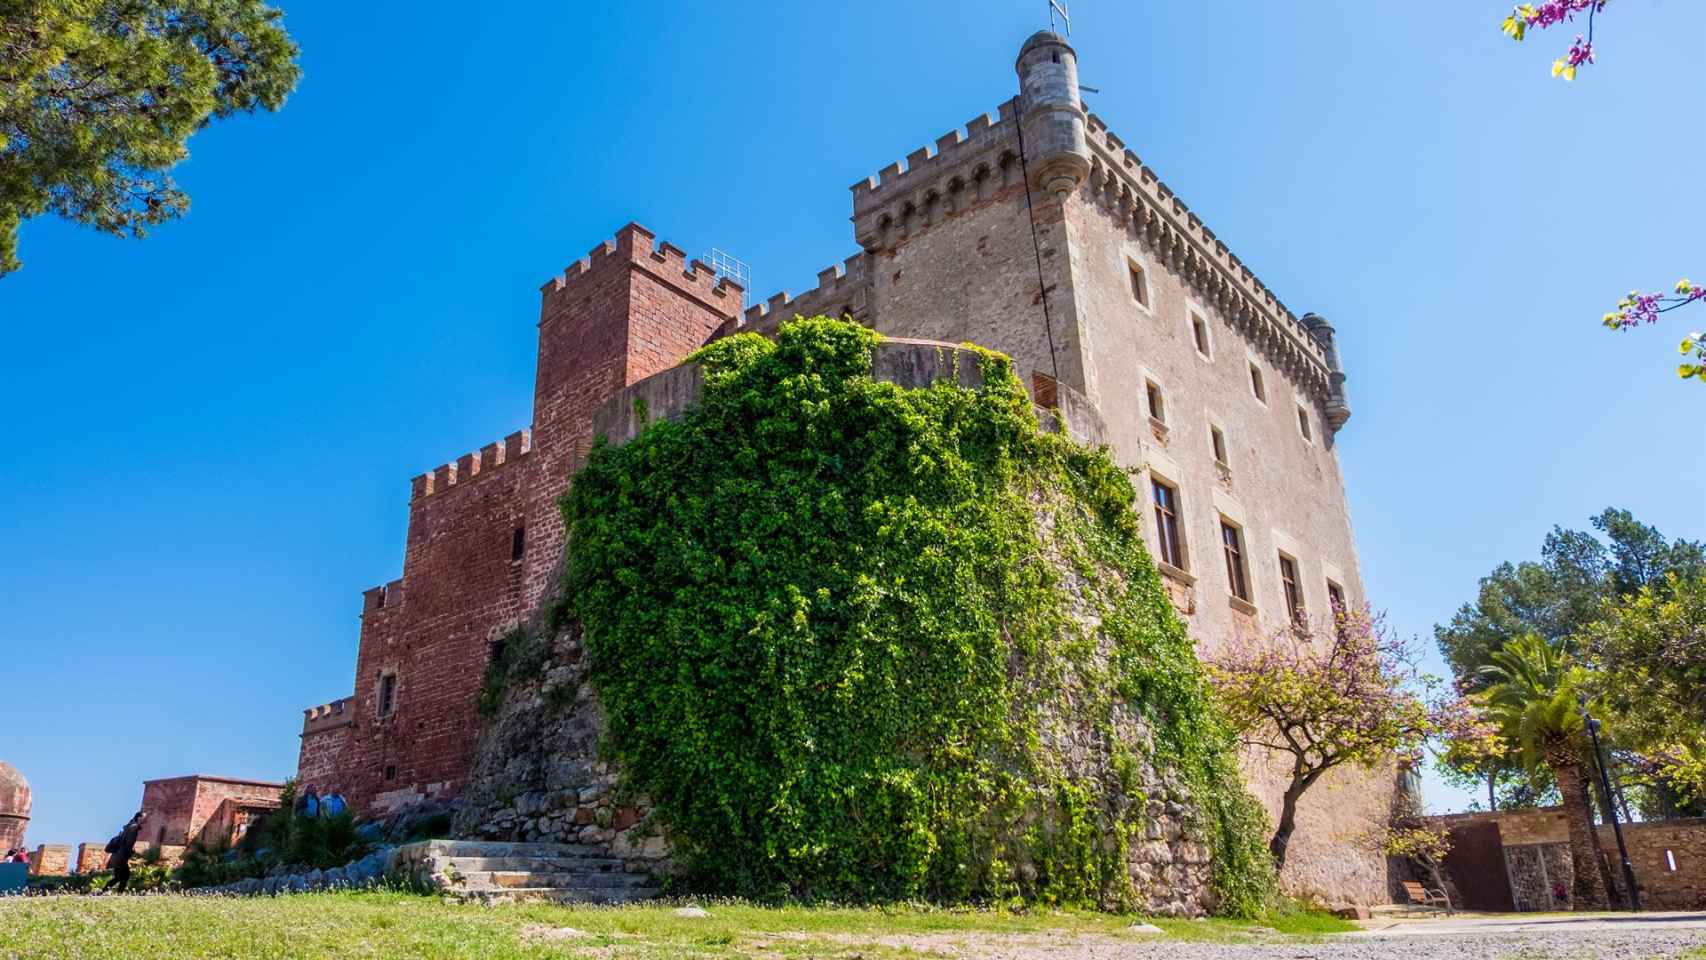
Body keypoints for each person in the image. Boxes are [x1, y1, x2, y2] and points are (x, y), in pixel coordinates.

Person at [103, 812, 143, 894]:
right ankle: (118, 893)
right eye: (144, 818)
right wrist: (131, 851)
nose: (146, 820)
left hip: (117, 856)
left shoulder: (129, 826)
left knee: (119, 877)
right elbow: (128, 843)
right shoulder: (133, 827)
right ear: (139, 818)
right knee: (125, 876)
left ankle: (104, 891)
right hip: (121, 857)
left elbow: (126, 842)